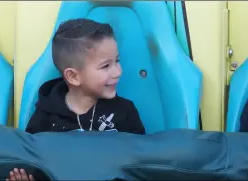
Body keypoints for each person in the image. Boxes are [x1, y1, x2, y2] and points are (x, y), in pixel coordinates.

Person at [7, 18, 145, 181]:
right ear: (73, 76)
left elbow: (139, 165)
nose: (118, 72)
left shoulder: (124, 111)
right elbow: (37, 164)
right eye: (106, 66)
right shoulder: (46, 116)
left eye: (117, 61)